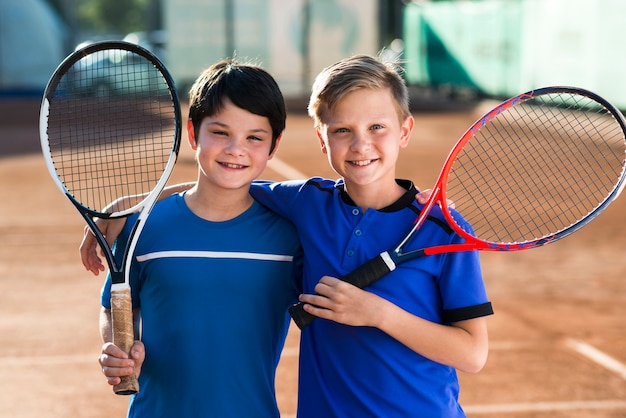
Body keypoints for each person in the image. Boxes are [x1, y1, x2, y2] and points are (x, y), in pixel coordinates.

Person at [83, 55, 492, 417]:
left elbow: (473, 354)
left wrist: (378, 313)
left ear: (404, 131)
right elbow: (226, 184)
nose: (361, 144)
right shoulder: (308, 205)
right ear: (322, 137)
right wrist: (128, 208)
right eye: (342, 130)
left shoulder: (441, 230)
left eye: (377, 127)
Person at [91, 59, 303, 417]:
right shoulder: (142, 228)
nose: (236, 149)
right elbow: (114, 306)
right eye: (220, 132)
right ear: (193, 134)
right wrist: (117, 346)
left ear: (274, 145)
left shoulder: (291, 235)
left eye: (254, 138)